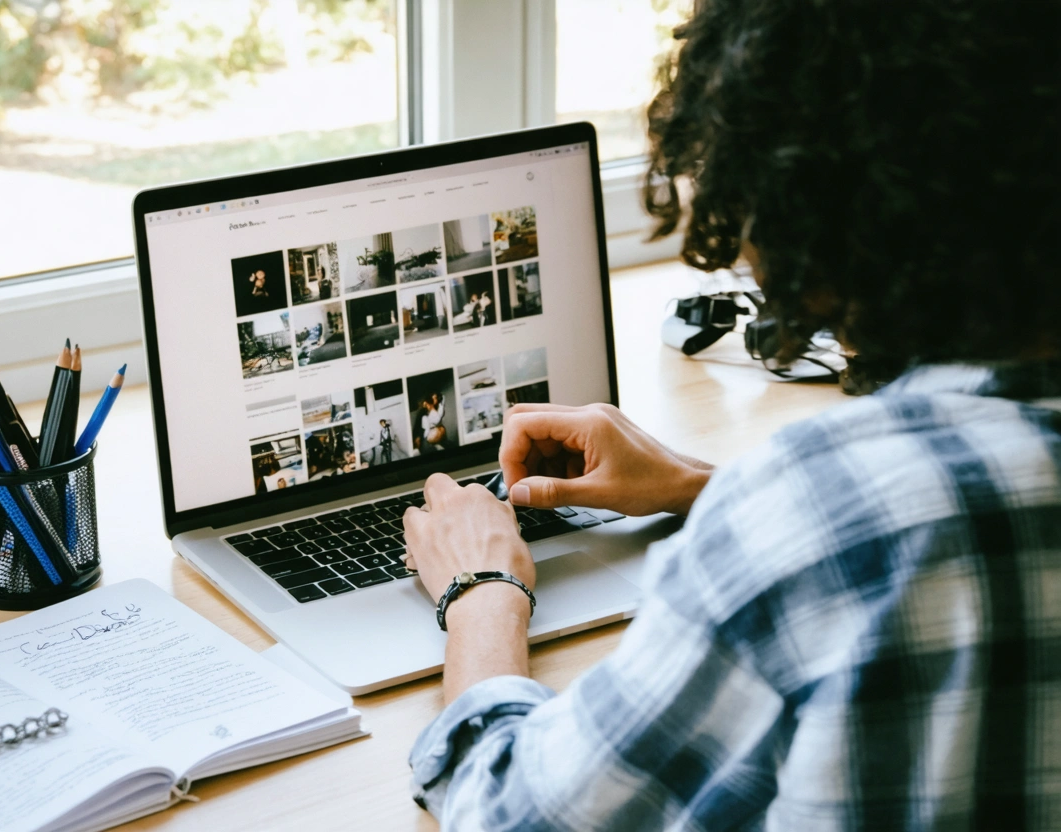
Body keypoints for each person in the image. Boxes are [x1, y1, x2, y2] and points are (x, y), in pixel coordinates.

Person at [400, 0, 1060, 828]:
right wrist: (701, 486)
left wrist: (481, 589)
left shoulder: (818, 515)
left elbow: (508, 814)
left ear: (798, 202)